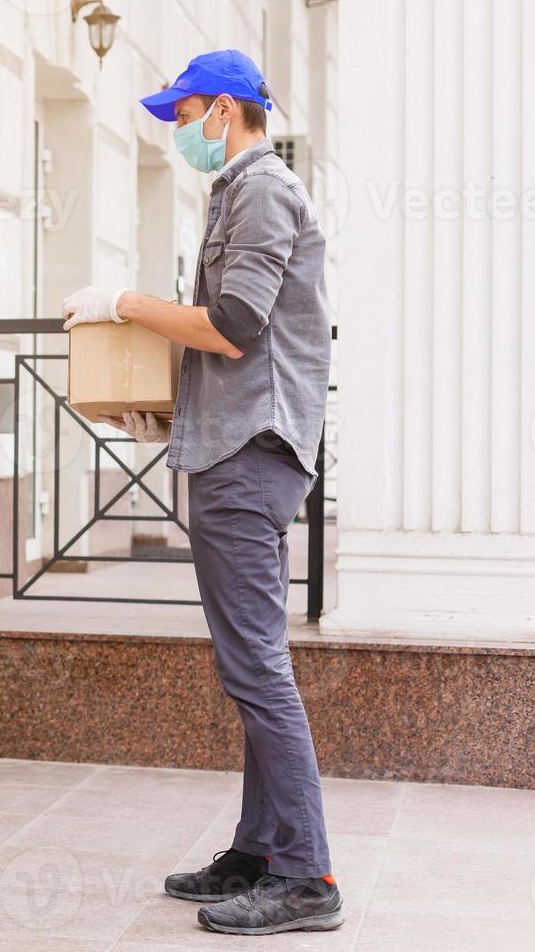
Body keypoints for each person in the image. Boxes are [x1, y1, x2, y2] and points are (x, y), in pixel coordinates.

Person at [61, 50, 338, 936]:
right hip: (236, 446)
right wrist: (165, 418)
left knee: (256, 666)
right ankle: (259, 852)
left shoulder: (261, 190)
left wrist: (126, 304)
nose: (177, 130)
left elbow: (232, 327)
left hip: (249, 456)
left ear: (225, 110)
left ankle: (307, 877)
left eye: (183, 115)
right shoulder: (238, 191)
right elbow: (236, 348)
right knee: (249, 662)